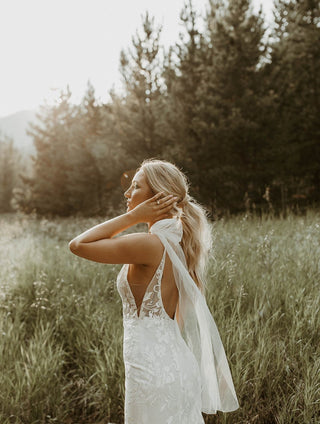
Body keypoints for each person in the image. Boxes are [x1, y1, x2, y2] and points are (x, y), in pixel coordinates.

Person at [69, 158, 239, 423]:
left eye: (135, 187)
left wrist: (132, 217)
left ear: (157, 197)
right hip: (173, 367)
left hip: (152, 374)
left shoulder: (150, 244)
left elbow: (78, 244)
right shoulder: (179, 245)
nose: (127, 193)